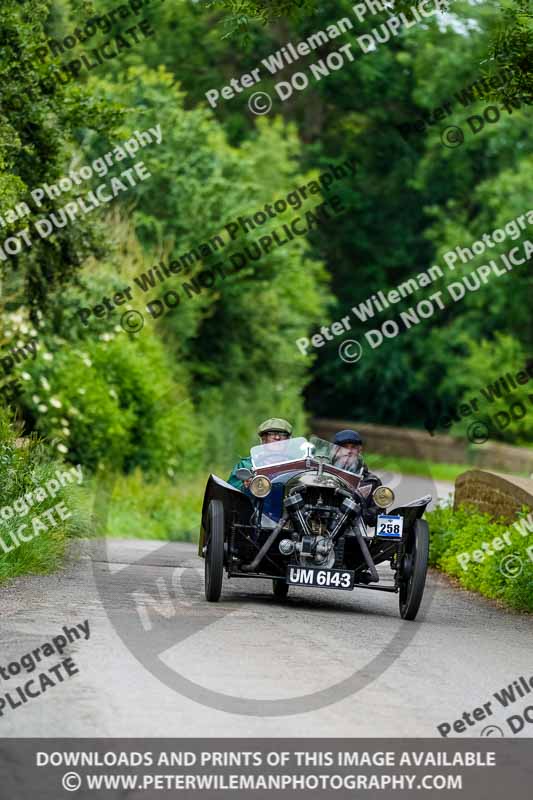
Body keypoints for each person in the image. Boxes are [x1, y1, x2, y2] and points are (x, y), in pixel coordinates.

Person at [228, 418, 293, 490]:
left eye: (282, 434)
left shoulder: (296, 464)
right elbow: (231, 489)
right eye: (272, 434)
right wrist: (245, 485)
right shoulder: (247, 465)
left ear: (288, 440)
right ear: (263, 439)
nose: (277, 437)